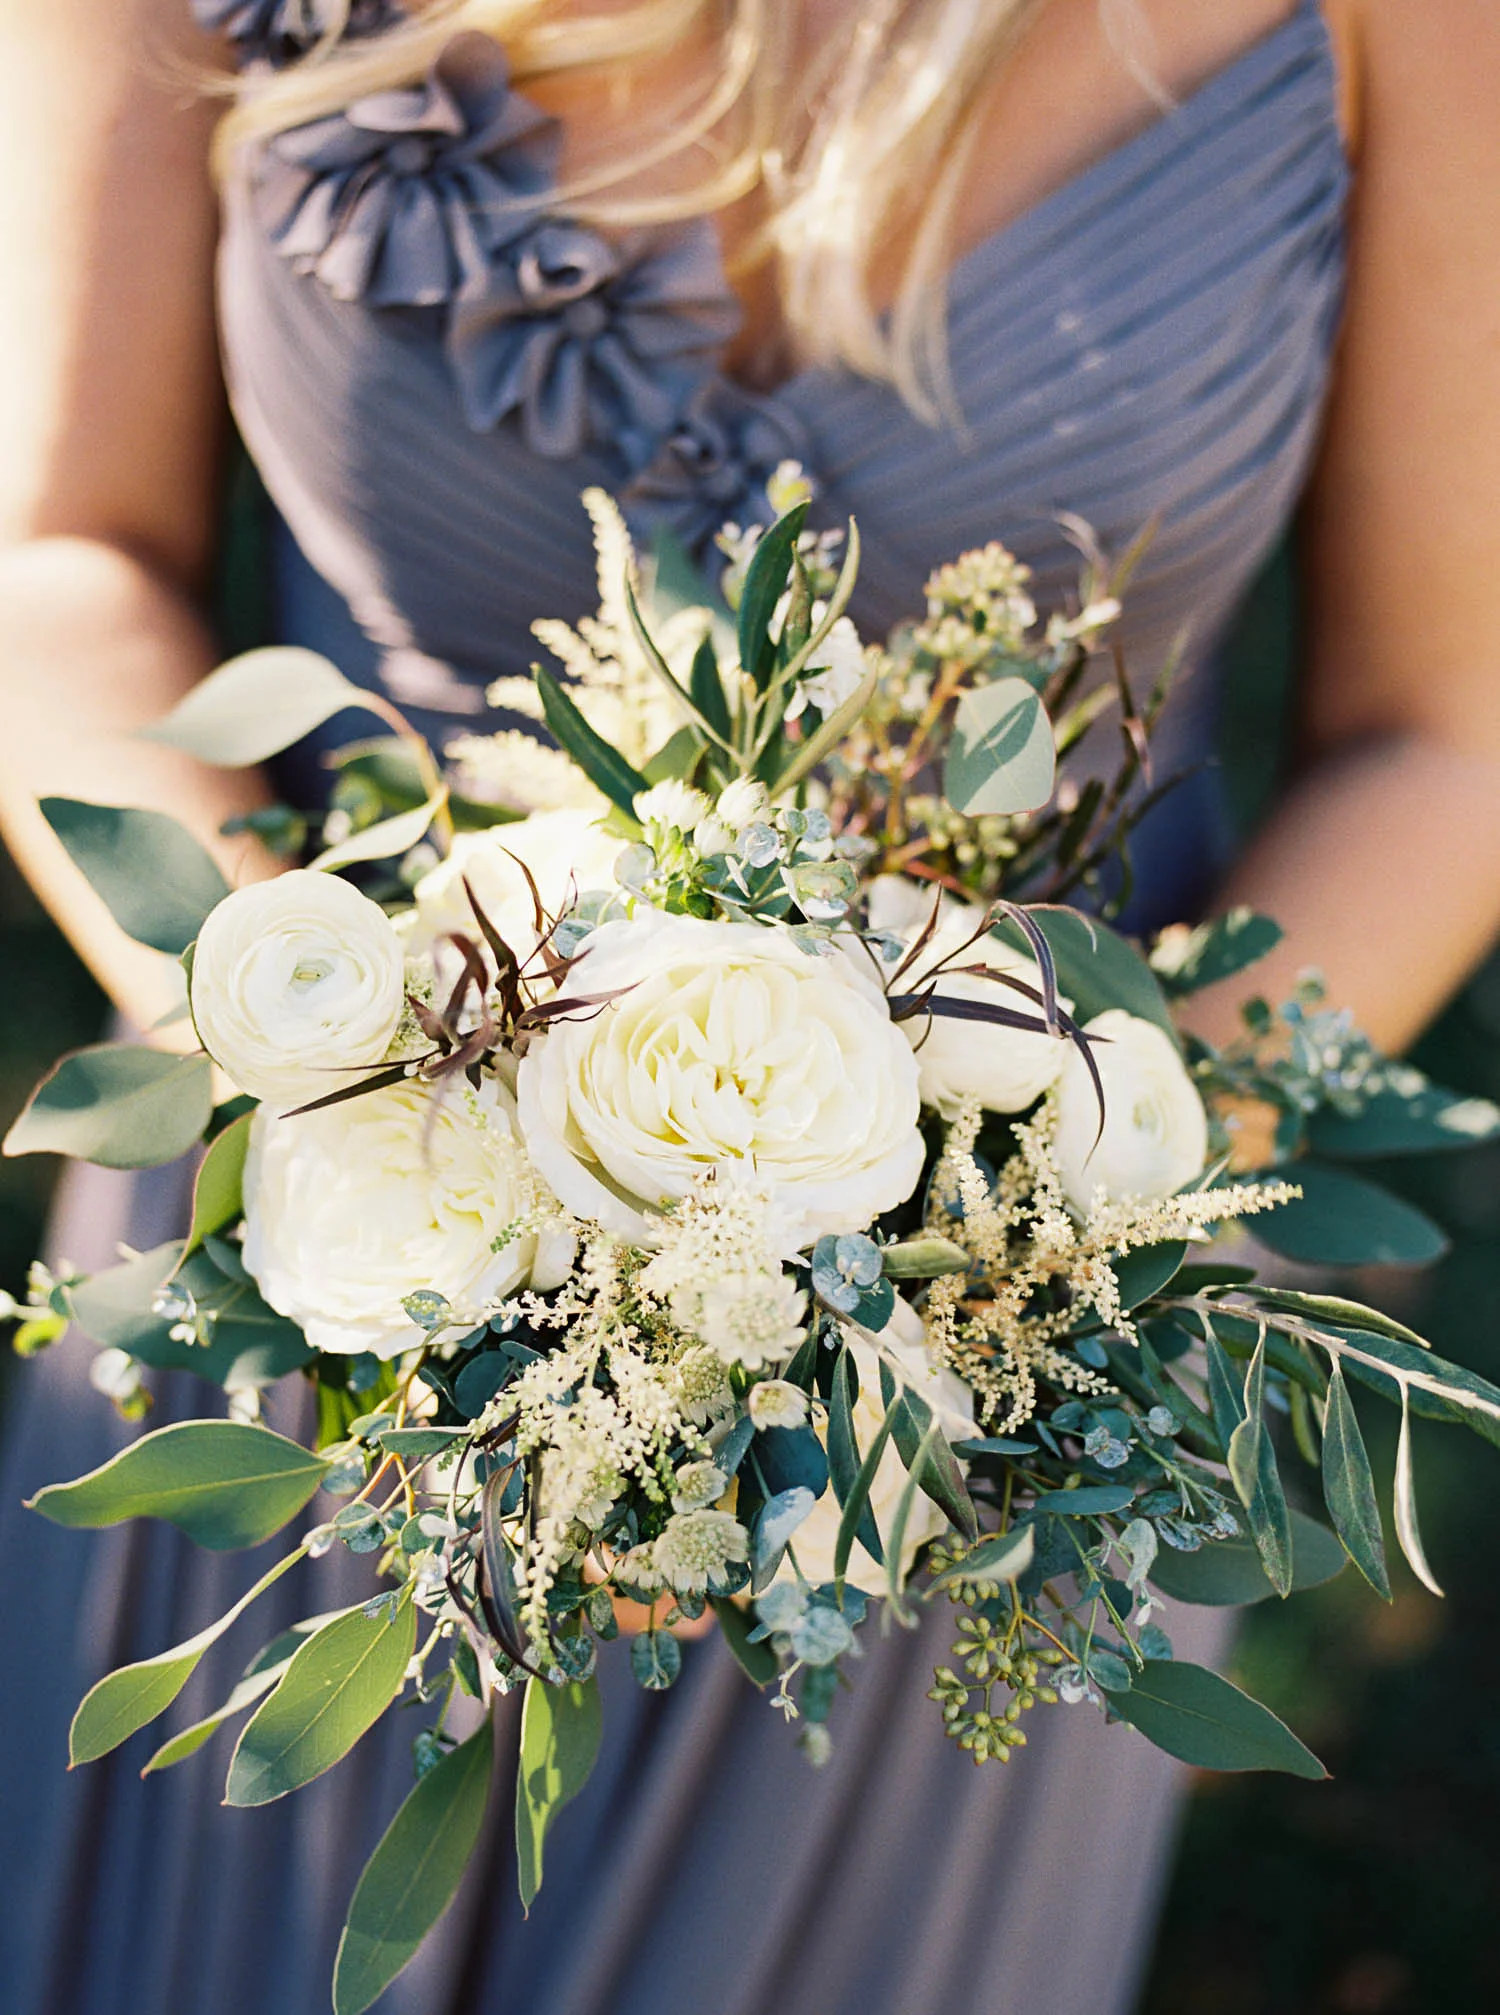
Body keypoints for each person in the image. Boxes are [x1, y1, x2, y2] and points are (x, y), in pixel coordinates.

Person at [2, 3, 1499, 2012]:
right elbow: (63, 557)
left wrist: (1021, 1263)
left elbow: (1446, 733)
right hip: (330, 1260)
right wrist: (310, 1064)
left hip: (994, 1400)